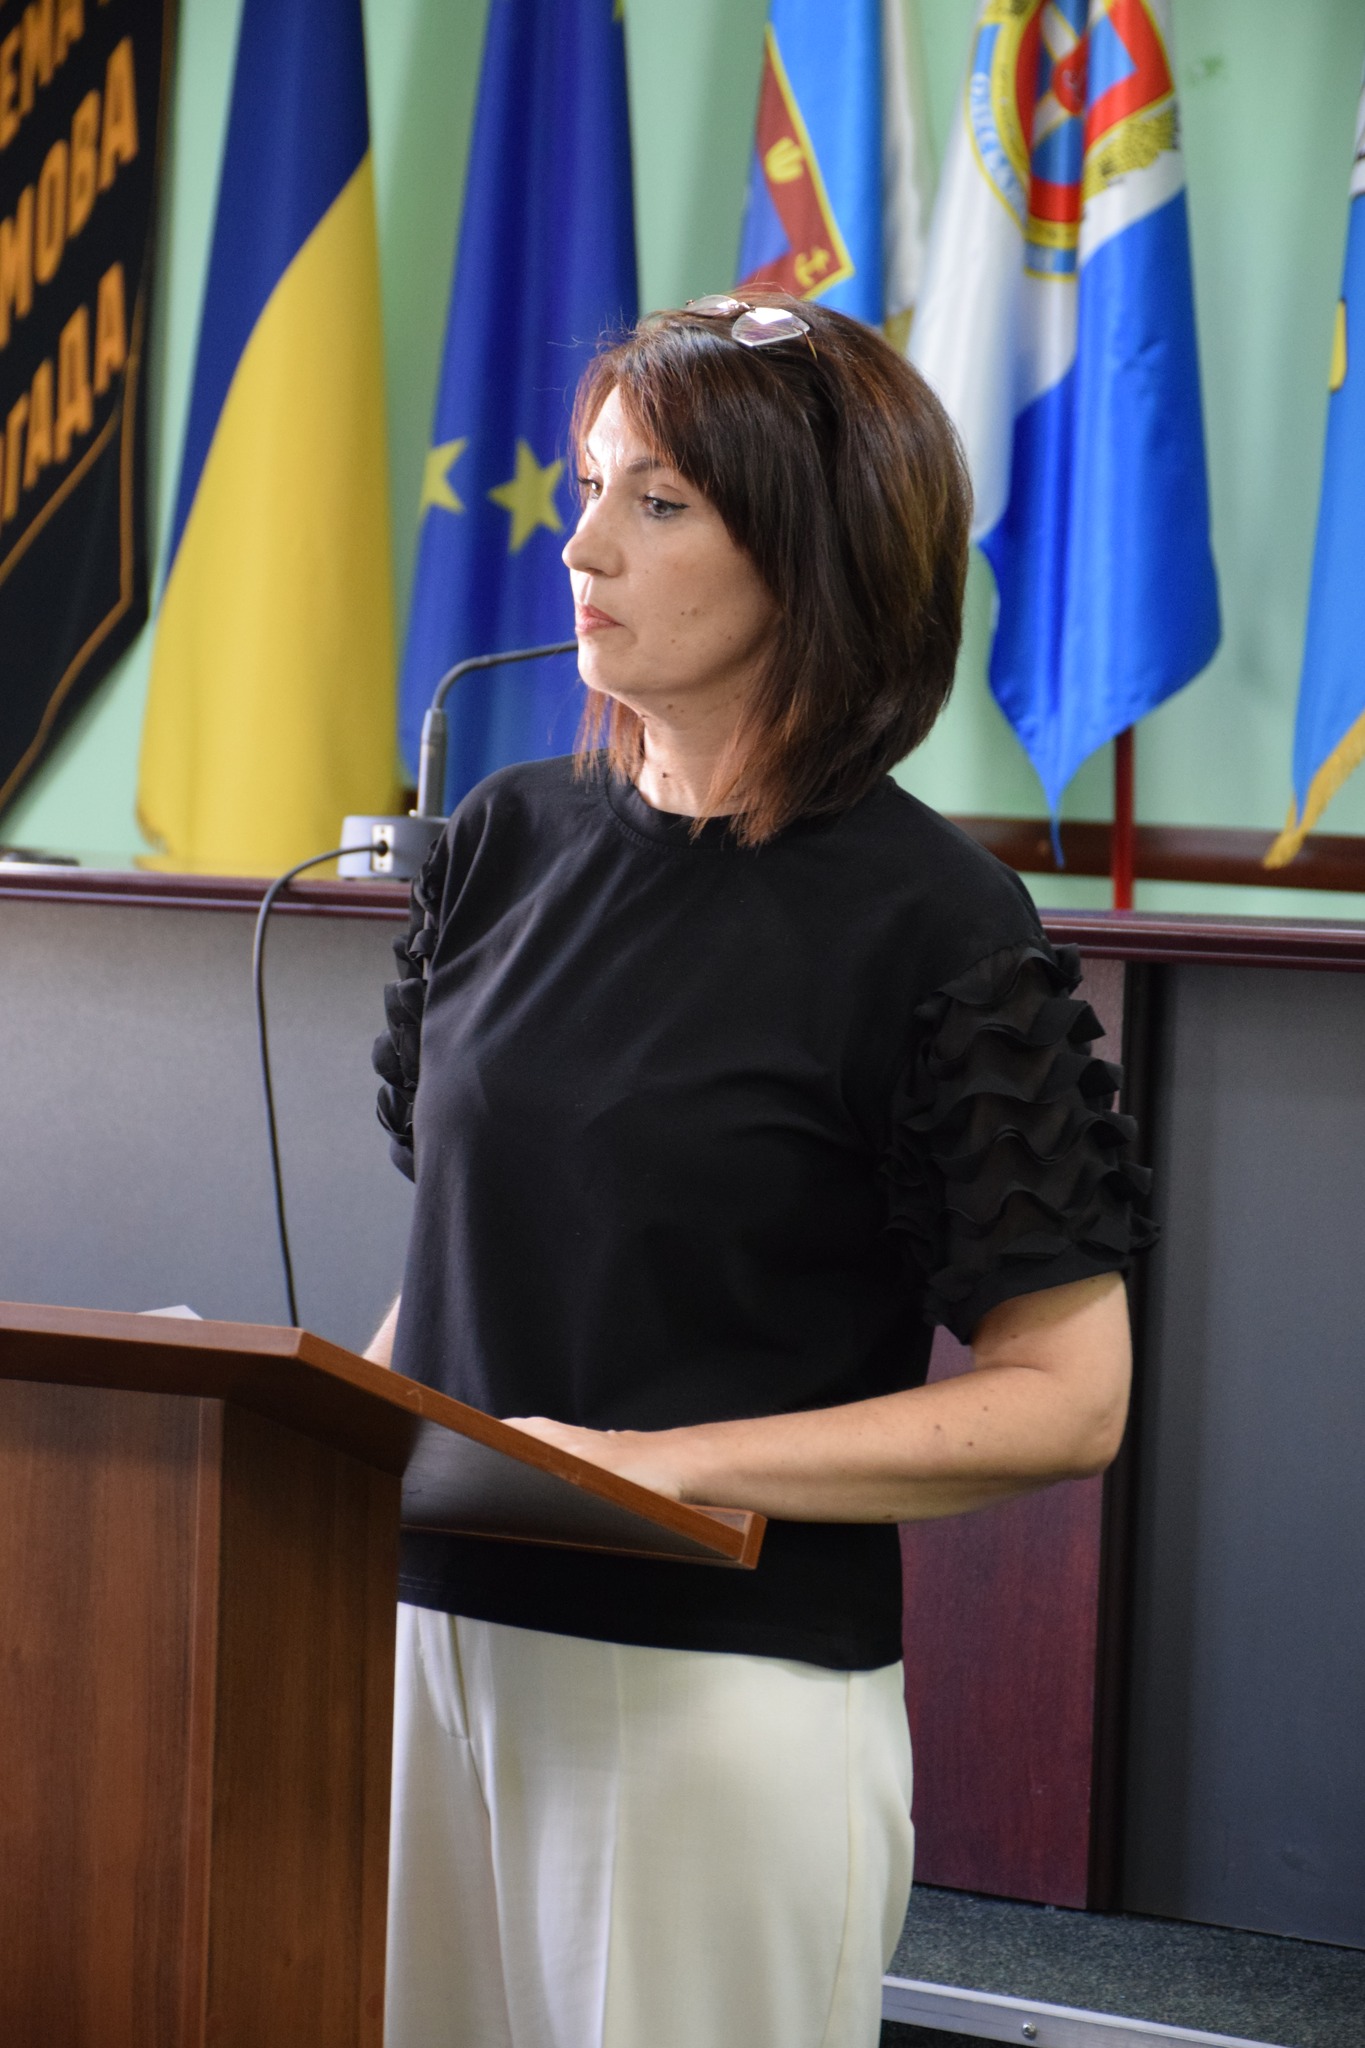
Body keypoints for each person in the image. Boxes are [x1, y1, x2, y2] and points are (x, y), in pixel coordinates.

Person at [368, 292, 1151, 2048]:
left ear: (814, 558)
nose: (581, 545)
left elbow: (1066, 1402)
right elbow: (463, 1270)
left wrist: (649, 1469)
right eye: (589, 483)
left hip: (708, 1697)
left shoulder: (933, 922)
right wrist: (325, 1457)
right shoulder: (500, 839)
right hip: (421, 1653)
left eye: (656, 503)